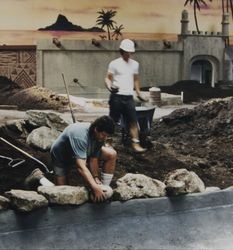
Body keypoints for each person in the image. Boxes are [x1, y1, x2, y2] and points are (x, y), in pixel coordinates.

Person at [49, 115, 117, 202]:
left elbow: (93, 158)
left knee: (111, 154)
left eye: (107, 136)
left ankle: (104, 189)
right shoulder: (80, 136)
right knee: (61, 194)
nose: (105, 138)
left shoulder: (100, 137)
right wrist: (94, 187)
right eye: (104, 135)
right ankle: (39, 179)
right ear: (96, 129)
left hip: (83, 152)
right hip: (61, 156)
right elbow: (81, 167)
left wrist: (95, 178)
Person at [105, 39, 147, 153]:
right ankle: (108, 142)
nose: (128, 54)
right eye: (126, 52)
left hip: (128, 97)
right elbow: (107, 78)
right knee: (112, 121)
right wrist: (110, 87)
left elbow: (136, 80)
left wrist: (139, 93)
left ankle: (136, 144)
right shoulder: (114, 63)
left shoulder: (135, 64)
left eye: (130, 52)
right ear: (122, 51)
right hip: (116, 96)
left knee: (133, 120)